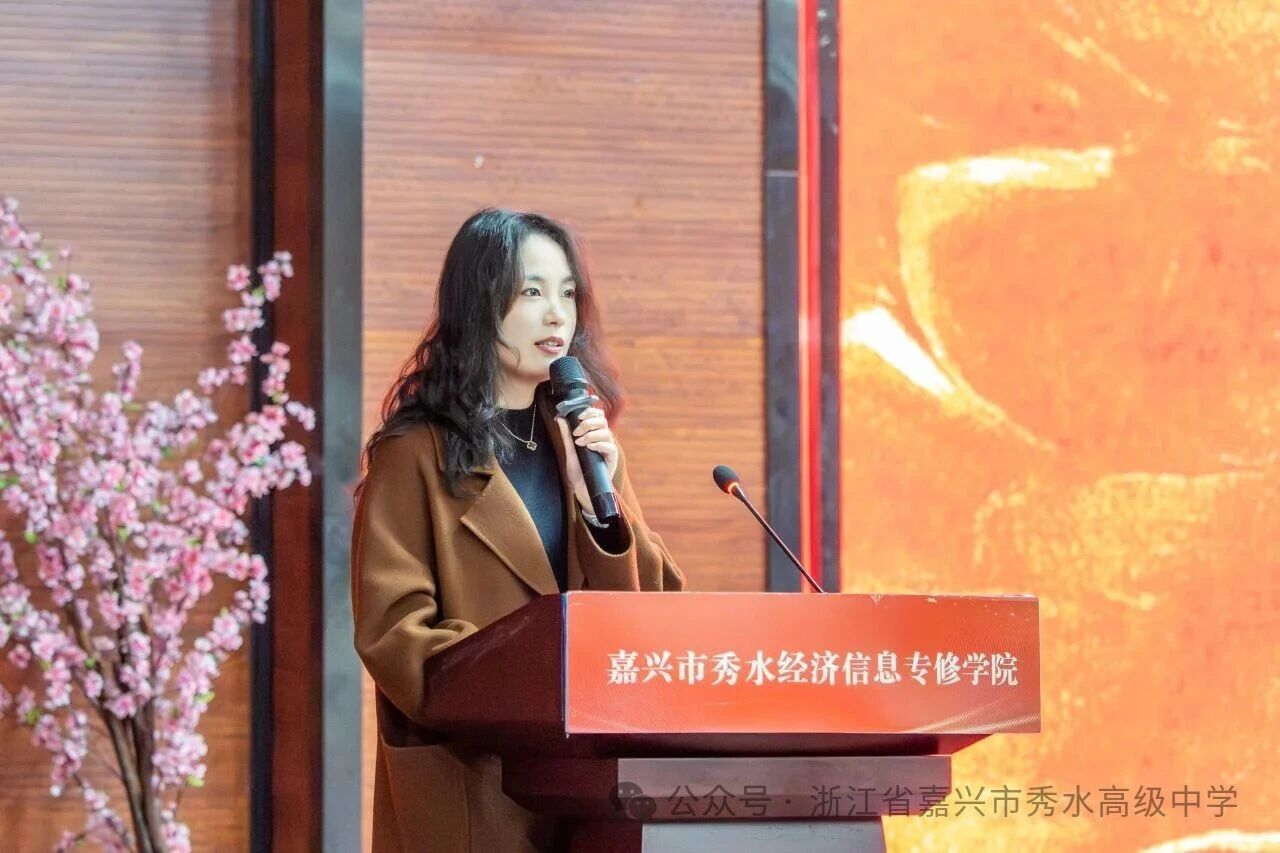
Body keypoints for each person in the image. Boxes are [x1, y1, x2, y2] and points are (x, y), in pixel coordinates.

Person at [350, 208, 686, 852]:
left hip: (593, 791)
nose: (557, 315)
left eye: (567, 294)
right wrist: (531, 688)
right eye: (532, 292)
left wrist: (601, 513)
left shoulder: (583, 444)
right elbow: (394, 633)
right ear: (479, 304)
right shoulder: (413, 454)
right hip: (476, 789)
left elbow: (650, 617)